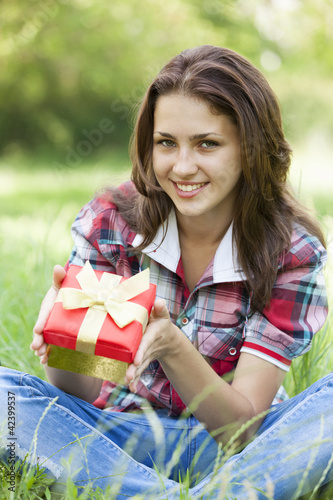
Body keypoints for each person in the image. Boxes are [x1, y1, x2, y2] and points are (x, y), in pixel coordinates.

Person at [0, 45, 332, 499]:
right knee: (6, 399)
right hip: (119, 440)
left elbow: (243, 431)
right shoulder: (112, 223)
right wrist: (65, 343)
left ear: (250, 149)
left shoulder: (290, 251)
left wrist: (173, 345)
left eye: (207, 144)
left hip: (242, 451)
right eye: (166, 143)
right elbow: (81, 391)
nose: (182, 167)